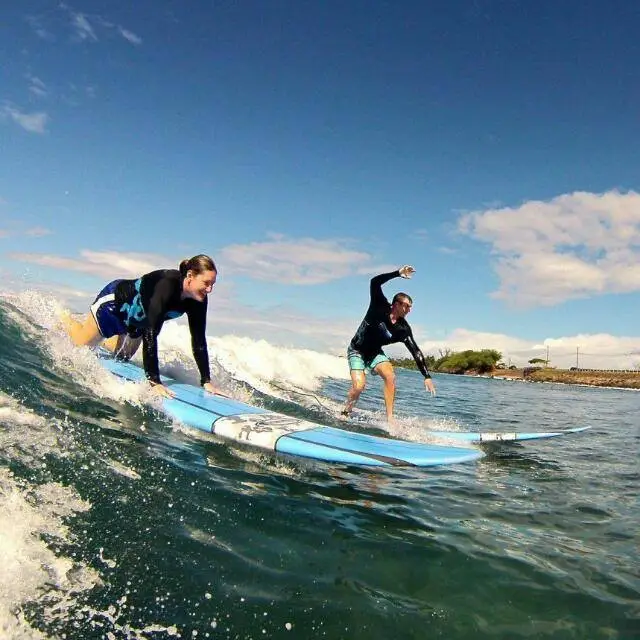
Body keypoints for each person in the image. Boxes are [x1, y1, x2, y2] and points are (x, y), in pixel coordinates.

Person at [62, 254, 223, 399]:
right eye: (206, 283)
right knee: (80, 346)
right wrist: (155, 382)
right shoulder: (166, 285)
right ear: (190, 276)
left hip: (137, 323)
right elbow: (151, 334)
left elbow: (199, 340)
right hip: (114, 306)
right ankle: (64, 319)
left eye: (212, 284)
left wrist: (206, 381)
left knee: (121, 358)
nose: (209, 289)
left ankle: (103, 335)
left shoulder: (199, 300)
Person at [342, 265, 436, 423]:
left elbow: (416, 351)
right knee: (359, 387)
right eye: (406, 306)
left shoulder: (403, 329)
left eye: (410, 308)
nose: (408, 311)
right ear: (397, 304)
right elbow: (375, 282)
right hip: (357, 349)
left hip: (374, 353)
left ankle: (390, 420)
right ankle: (346, 412)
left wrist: (426, 376)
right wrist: (397, 273)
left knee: (390, 376)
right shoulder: (379, 305)